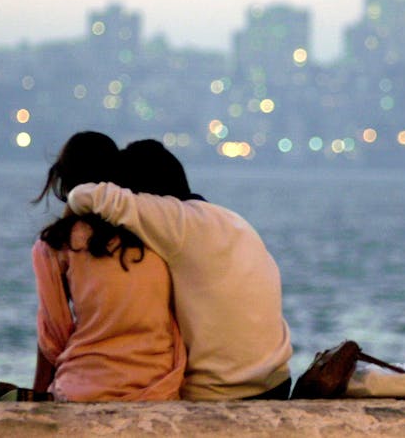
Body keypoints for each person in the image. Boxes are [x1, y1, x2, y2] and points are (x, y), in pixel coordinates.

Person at [67, 139, 293, 401]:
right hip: (276, 382)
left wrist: (66, 222)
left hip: (222, 393)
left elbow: (83, 195)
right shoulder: (230, 219)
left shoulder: (173, 220)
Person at [31, 132, 186, 401]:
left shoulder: (56, 244)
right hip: (161, 385)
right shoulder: (153, 232)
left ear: (64, 181)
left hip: (86, 388)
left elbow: (52, 338)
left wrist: (38, 393)